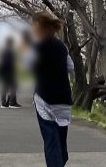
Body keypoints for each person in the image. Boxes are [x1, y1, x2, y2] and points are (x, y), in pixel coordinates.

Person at [29, 11, 73, 167]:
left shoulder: (36, 48)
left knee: (50, 140)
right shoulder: (62, 47)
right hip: (64, 99)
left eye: (32, 25)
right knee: (60, 139)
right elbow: (71, 67)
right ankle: (61, 161)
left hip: (45, 99)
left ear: (39, 26)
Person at [0, 36, 21, 108]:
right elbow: (8, 63)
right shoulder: (8, 51)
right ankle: (11, 102)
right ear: (9, 43)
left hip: (6, 72)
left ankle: (6, 102)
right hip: (8, 72)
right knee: (12, 86)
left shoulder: (5, 51)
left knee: (7, 87)